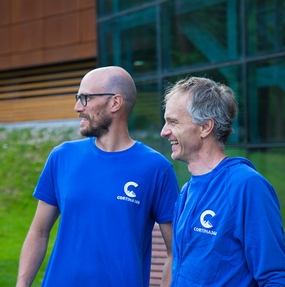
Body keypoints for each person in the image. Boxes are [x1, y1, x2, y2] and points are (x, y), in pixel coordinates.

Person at [16, 66, 179, 287]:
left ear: (115, 103)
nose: (77, 107)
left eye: (85, 98)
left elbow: (174, 251)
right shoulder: (62, 157)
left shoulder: (156, 168)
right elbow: (39, 232)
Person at [160, 76, 285, 286]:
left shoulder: (246, 186)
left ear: (205, 127)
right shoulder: (187, 190)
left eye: (173, 122)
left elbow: (275, 278)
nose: (164, 131)